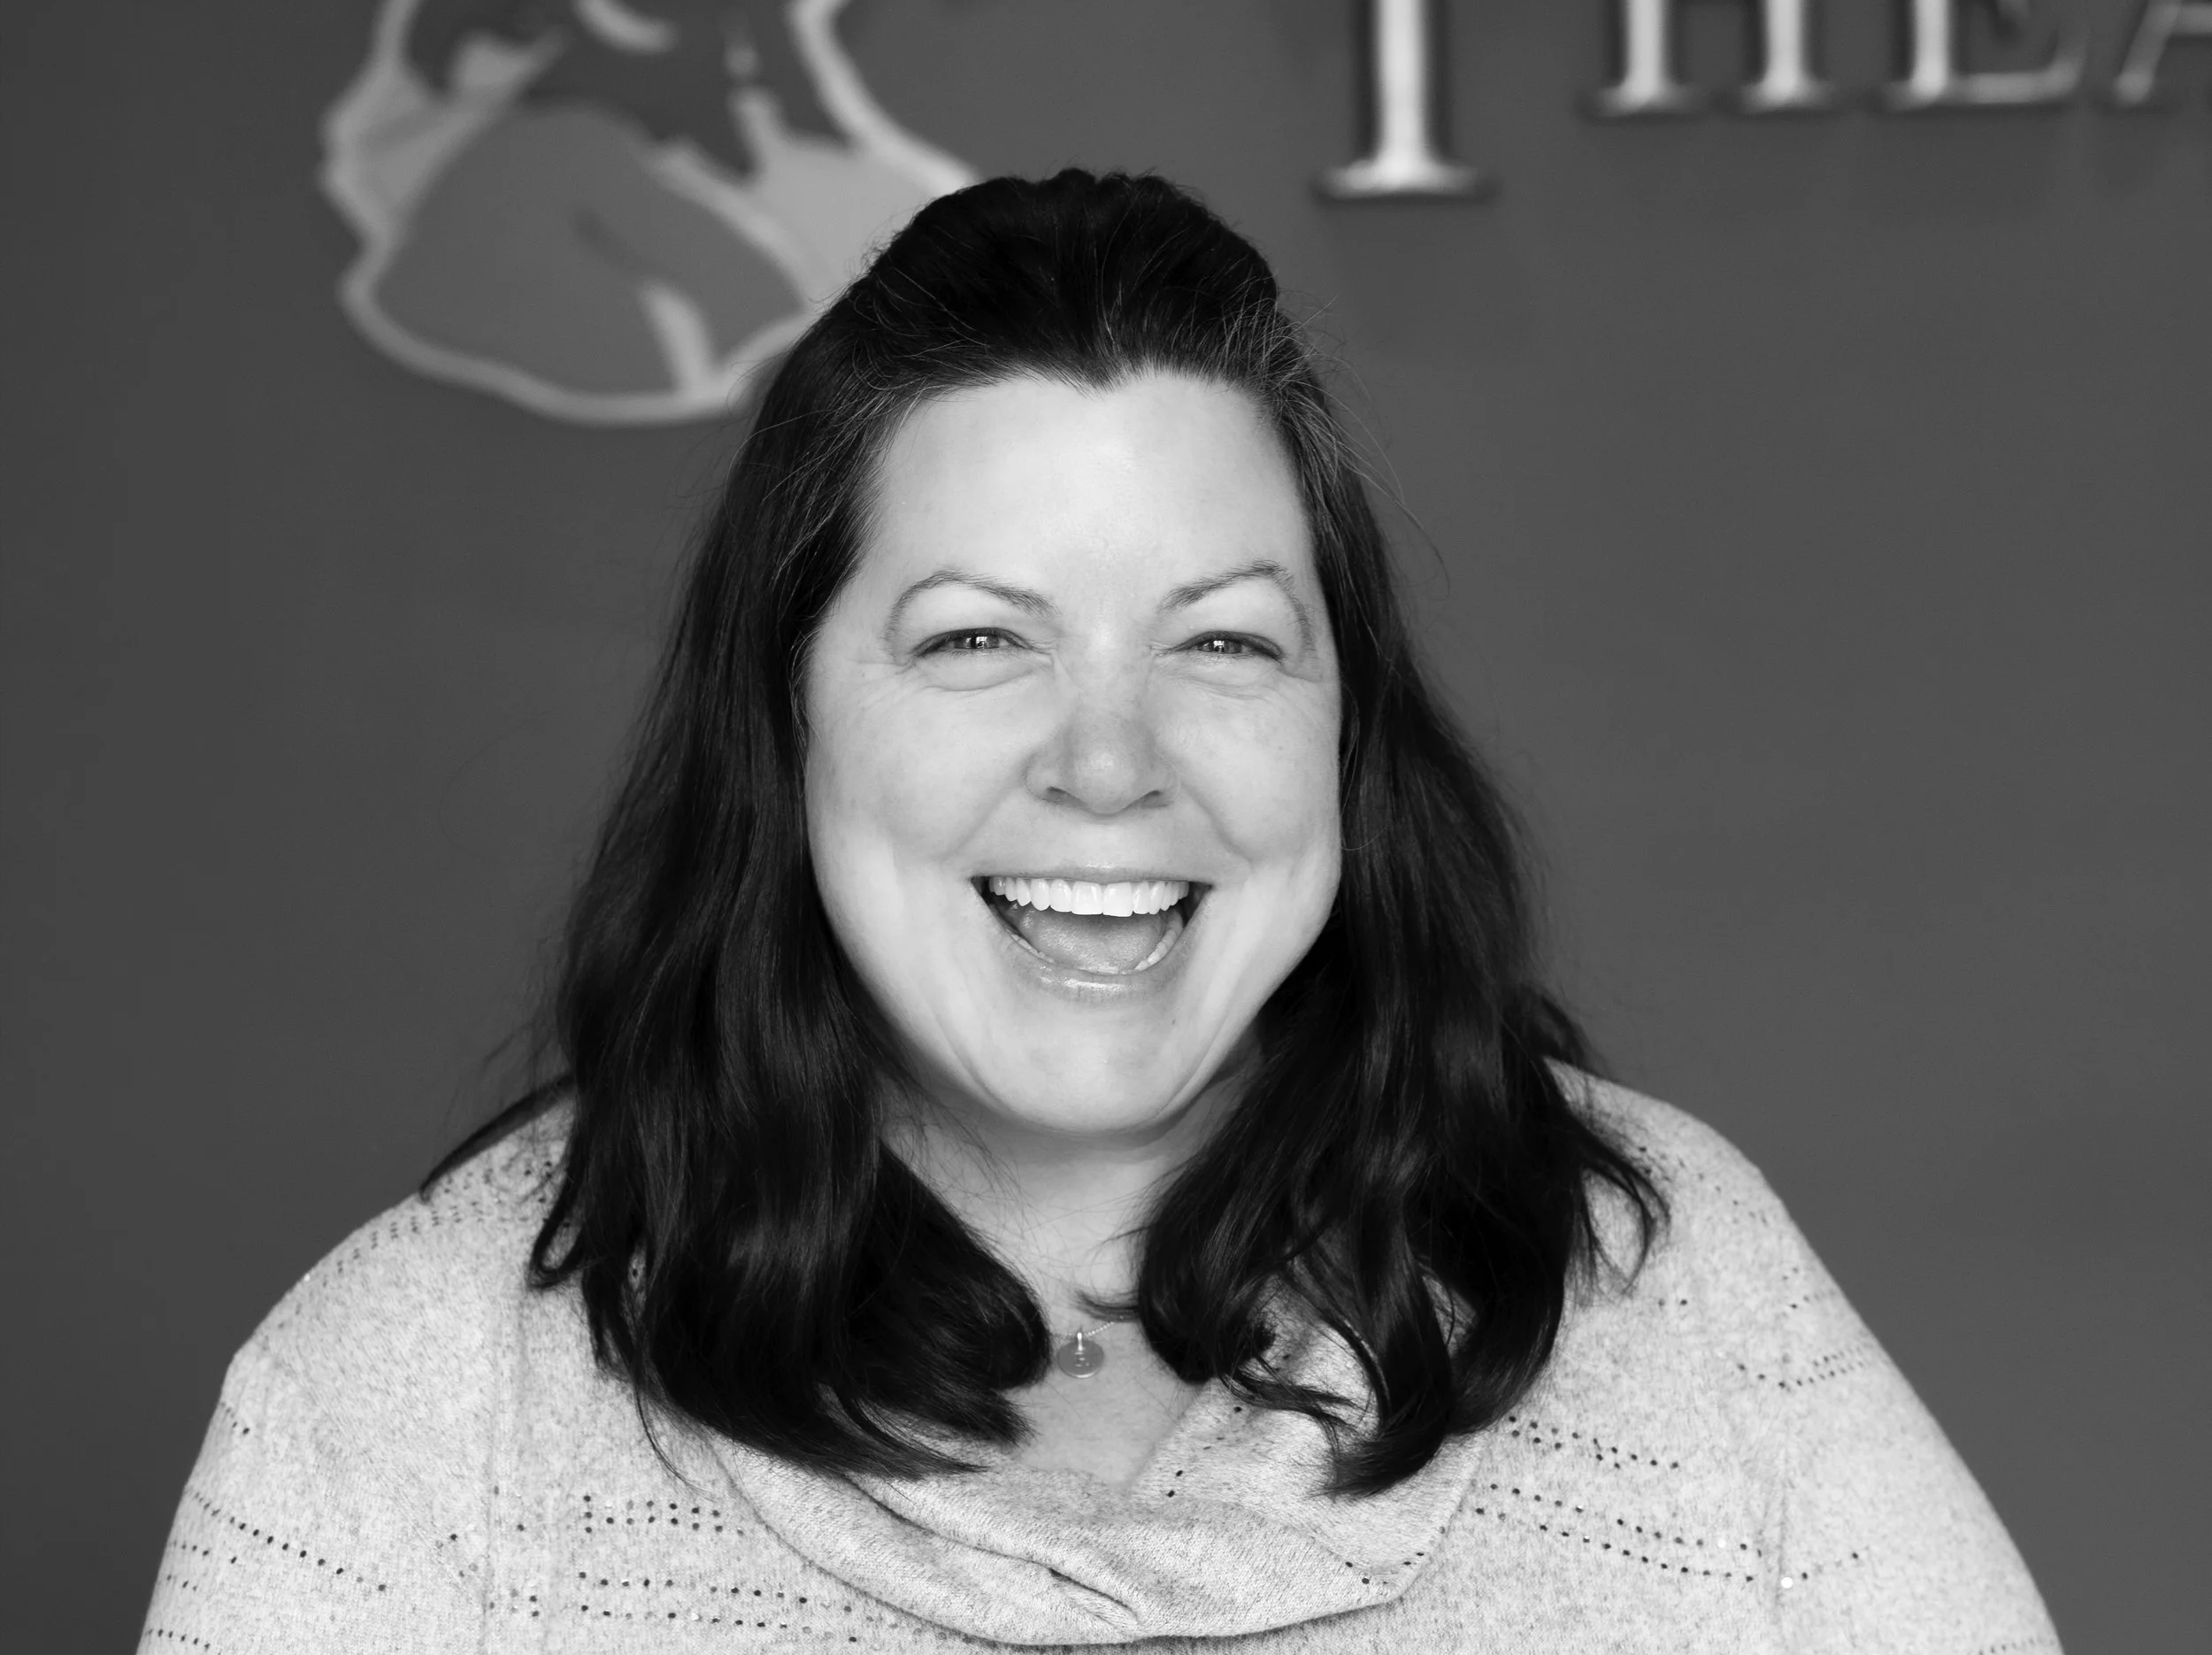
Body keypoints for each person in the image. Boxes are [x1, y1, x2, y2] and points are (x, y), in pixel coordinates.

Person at [139, 170, 2061, 1651]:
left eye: (1220, 639)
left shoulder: (1679, 1291)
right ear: (786, 714)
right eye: (978, 637)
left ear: (1342, 726)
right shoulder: (405, 1406)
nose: (1109, 762)